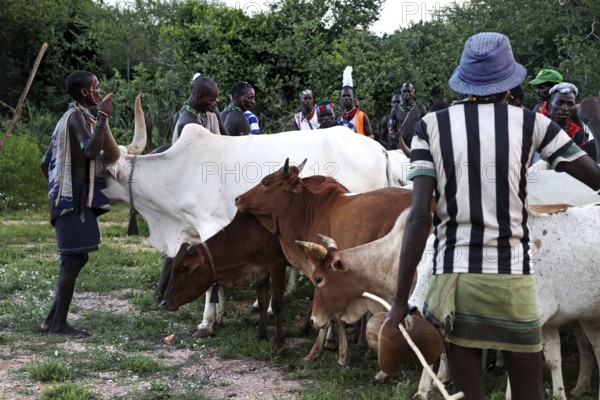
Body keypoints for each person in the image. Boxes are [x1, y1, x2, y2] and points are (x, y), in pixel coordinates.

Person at [388, 32, 600, 399]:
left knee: (471, 392)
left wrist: (398, 299)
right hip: (512, 276)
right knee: (528, 390)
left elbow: (420, 217)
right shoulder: (531, 123)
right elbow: (593, 176)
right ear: (510, 81)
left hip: (455, 280)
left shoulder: (431, 126)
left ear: (466, 80)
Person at [40, 71, 120, 338]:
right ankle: (59, 326)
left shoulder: (75, 117)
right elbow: (89, 150)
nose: (100, 91)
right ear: (86, 93)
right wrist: (103, 116)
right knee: (72, 260)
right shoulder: (75, 117)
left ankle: (52, 320)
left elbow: (45, 162)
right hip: (71, 198)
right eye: (96, 87)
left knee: (76, 257)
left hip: (74, 197)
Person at [156, 74, 228, 302]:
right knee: (181, 241)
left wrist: (215, 112)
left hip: (200, 185)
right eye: (211, 99)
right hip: (189, 189)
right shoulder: (188, 121)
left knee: (187, 240)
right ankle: (164, 292)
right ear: (198, 96)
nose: (215, 103)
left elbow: (225, 139)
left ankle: (169, 290)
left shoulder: (204, 114)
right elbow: (209, 153)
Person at [172, 74, 229, 143]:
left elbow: (225, 137)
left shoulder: (211, 110)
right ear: (199, 97)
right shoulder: (189, 122)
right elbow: (200, 151)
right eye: (212, 100)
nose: (216, 102)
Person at [387, 83, 427, 154]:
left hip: (418, 147)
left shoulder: (420, 108)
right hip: (401, 149)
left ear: (413, 92)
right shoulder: (395, 110)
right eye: (404, 91)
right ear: (401, 92)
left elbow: (427, 129)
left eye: (409, 91)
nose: (406, 94)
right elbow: (390, 134)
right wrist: (398, 137)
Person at [337, 66, 374, 138]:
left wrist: (359, 138)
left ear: (353, 97)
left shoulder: (362, 116)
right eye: (343, 96)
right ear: (341, 98)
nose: (346, 98)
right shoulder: (339, 119)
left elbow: (371, 137)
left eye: (348, 95)